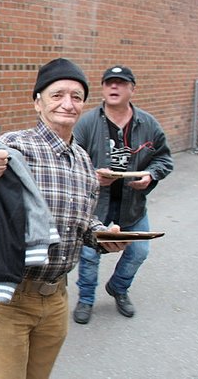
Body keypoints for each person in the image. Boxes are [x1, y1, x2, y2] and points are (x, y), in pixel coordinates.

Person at [0, 58, 127, 379]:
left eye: (76, 96)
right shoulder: (13, 147)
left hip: (57, 298)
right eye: (57, 95)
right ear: (37, 103)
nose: (68, 103)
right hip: (10, 295)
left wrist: (103, 236)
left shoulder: (83, 160)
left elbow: (83, 222)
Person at [72, 65, 173, 324]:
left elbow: (163, 159)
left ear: (132, 89)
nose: (114, 87)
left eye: (120, 83)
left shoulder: (148, 124)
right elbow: (70, 159)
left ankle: (118, 287)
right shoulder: (87, 123)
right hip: (96, 205)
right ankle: (86, 299)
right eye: (109, 82)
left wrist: (150, 175)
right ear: (103, 88)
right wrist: (92, 176)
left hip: (132, 204)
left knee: (139, 251)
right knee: (89, 254)